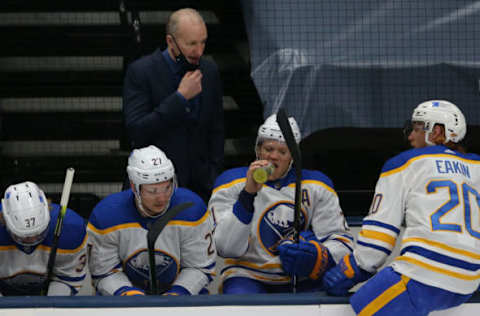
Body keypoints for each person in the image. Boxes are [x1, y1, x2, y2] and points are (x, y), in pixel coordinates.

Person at [323, 100, 480, 315]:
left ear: (436, 132)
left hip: (425, 272)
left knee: (362, 301)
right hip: (468, 282)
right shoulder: (477, 166)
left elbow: (378, 238)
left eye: (416, 129)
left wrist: (351, 268)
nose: (410, 137)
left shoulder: (405, 163)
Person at [209, 114, 353, 293]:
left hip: (300, 276)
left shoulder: (317, 185)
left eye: (282, 152)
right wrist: (247, 195)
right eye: (269, 149)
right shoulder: (231, 182)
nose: (274, 157)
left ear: (293, 156)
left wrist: (317, 256)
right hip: (247, 275)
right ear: (258, 150)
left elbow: (342, 242)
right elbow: (226, 248)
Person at [123, 8, 224, 202]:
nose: (199, 51)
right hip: (155, 188)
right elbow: (136, 130)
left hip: (201, 188)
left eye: (203, 42)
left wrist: (213, 174)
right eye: (191, 44)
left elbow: (217, 129)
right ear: (171, 42)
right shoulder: (141, 72)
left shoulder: (209, 71)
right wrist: (180, 98)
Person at [87, 145, 216, 296]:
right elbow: (104, 273)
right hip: (123, 302)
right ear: (135, 187)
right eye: (152, 191)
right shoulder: (106, 215)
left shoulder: (191, 209)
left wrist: (178, 295)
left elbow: (200, 267)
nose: (162, 198)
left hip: (184, 299)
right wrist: (127, 295)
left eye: (167, 188)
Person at [0, 181, 87, 296]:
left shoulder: (70, 228)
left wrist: (52, 306)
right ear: (3, 221)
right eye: (22, 236)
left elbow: (68, 278)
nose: (31, 240)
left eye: (38, 233)